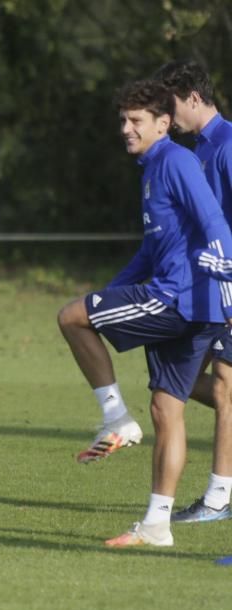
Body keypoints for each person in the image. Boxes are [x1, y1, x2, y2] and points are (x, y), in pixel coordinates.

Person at [57, 79, 232, 547]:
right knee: (166, 409)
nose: (126, 129)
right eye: (123, 120)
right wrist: (111, 293)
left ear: (163, 123)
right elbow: (152, 250)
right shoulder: (152, 167)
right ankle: (157, 525)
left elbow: (214, 219)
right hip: (189, 303)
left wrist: (226, 264)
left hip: (177, 298)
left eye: (135, 121)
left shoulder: (175, 161)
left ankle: (115, 418)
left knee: (70, 317)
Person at [153, 61, 232, 524]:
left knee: (224, 387)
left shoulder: (227, 145)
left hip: (227, 289)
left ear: (195, 98)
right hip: (199, 291)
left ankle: (219, 497)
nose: (168, 114)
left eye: (172, 104)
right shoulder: (195, 150)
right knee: (172, 389)